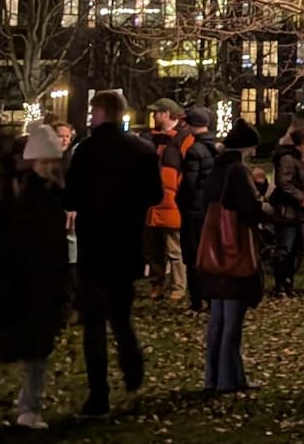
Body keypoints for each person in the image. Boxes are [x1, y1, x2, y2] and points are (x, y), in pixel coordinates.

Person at [66, 91, 163, 416]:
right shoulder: (141, 150)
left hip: (94, 246)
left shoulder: (86, 152)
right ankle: (132, 363)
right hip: (126, 244)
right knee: (120, 315)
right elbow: (155, 192)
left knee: (93, 323)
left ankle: (99, 394)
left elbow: (72, 197)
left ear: (102, 112)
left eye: (93, 112)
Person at [0, 123, 71, 430]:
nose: (52, 167)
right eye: (47, 161)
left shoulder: (47, 192)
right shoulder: (16, 193)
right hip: (16, 282)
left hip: (37, 282)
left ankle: (28, 406)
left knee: (34, 350)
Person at [199, 136, 265, 393]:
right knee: (232, 321)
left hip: (213, 254)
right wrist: (264, 200)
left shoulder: (217, 168)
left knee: (218, 319)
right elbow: (251, 208)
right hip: (234, 254)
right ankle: (228, 380)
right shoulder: (238, 171)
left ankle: (214, 377)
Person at [175, 106, 218, 310]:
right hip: (212, 209)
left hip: (194, 211)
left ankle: (197, 299)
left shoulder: (194, 150)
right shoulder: (217, 148)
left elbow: (189, 184)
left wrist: (181, 201)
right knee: (210, 254)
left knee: (193, 256)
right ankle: (212, 295)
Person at [269, 125, 304, 296]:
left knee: (295, 250)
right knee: (284, 248)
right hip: (287, 210)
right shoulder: (287, 159)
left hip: (299, 211)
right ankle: (280, 284)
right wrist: (302, 199)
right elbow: (284, 183)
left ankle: (289, 282)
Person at [145, 108, 187, 302]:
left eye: (156, 113)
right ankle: (157, 284)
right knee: (154, 250)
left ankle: (178, 286)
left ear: (166, 113)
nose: (153, 116)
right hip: (153, 205)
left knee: (174, 249)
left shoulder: (180, 140)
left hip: (170, 204)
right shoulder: (151, 139)